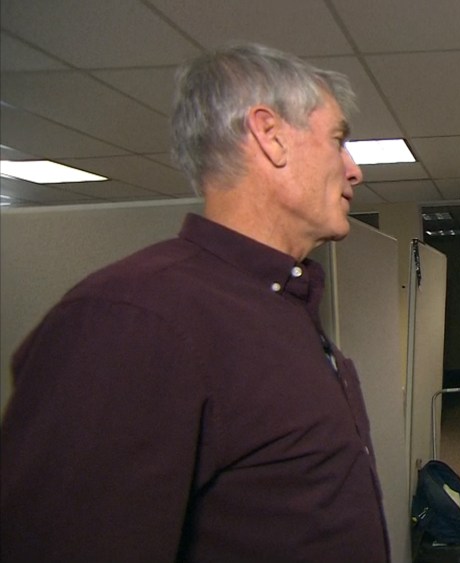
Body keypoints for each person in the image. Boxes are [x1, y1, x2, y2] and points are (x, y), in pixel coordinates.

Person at [0, 43, 389, 561]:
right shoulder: (131, 318)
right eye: (338, 140)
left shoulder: (282, 303)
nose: (354, 169)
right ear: (270, 135)